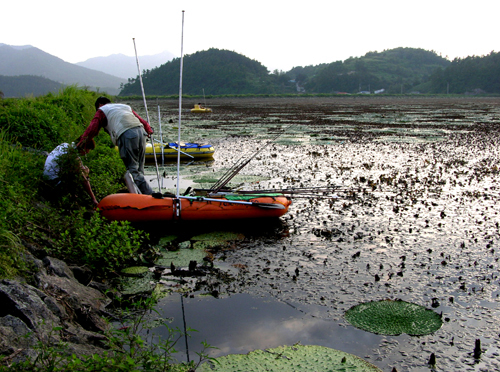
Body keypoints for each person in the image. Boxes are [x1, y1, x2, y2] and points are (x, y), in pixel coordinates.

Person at [77, 97, 154, 195]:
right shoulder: (123, 107)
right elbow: (142, 121)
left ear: (100, 105)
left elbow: (92, 129)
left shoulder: (102, 111)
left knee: (132, 170)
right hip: (141, 131)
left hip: (127, 134)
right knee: (139, 169)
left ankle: (149, 195)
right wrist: (149, 130)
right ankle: (142, 193)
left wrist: (81, 143)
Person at [43, 138, 99, 208]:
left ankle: (72, 196)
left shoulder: (64, 145)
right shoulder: (73, 156)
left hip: (46, 179)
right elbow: (83, 179)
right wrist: (93, 199)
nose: (87, 152)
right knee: (78, 176)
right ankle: (70, 200)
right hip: (54, 183)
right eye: (88, 149)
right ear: (84, 147)